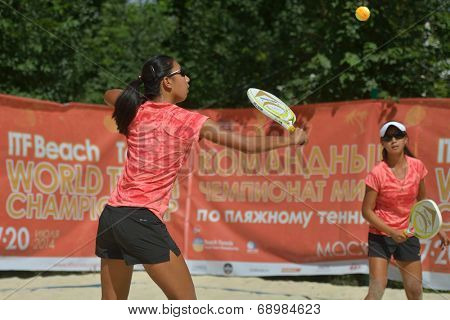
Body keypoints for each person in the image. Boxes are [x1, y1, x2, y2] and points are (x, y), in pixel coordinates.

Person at [95, 55, 308, 300]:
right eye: (181, 73)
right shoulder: (189, 120)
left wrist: (143, 92)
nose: (187, 78)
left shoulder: (136, 109)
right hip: (140, 218)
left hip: (112, 216)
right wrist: (291, 140)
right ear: (166, 83)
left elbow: (110, 94)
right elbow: (247, 145)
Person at [361, 121, 448, 300]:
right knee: (377, 288)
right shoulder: (377, 173)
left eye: (398, 136)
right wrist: (391, 231)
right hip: (381, 234)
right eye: (388, 137)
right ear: (382, 143)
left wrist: (437, 228)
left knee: (415, 291)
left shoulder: (417, 166)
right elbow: (366, 211)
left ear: (406, 139)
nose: (394, 140)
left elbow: (423, 201)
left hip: (408, 232)